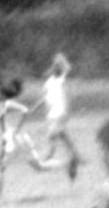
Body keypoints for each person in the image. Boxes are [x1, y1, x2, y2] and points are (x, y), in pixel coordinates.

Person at [30, 52, 80, 180]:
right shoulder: (47, 83)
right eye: (53, 68)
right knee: (62, 135)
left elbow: (67, 68)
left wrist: (60, 59)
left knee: (51, 136)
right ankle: (75, 156)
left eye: (56, 68)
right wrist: (34, 108)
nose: (53, 70)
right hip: (52, 114)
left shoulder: (60, 80)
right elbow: (44, 98)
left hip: (59, 112)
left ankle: (47, 158)